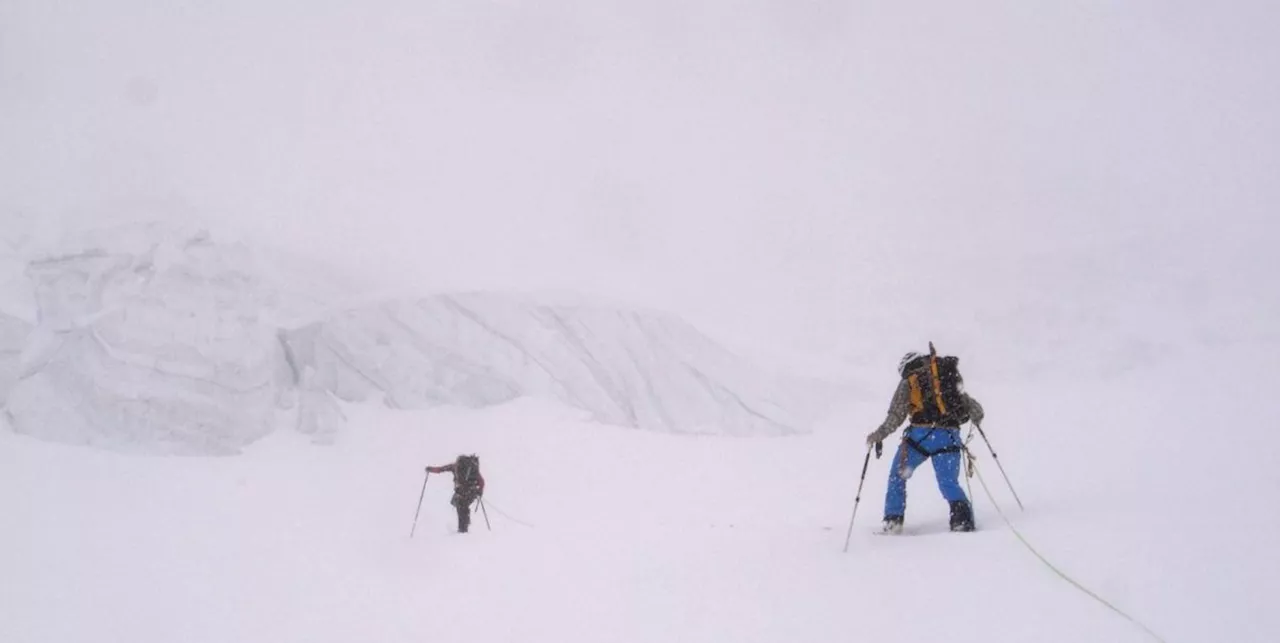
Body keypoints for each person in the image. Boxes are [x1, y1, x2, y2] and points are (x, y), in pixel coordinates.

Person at [865, 347, 984, 534]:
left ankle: (893, 521)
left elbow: (896, 415)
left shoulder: (909, 382)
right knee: (948, 482)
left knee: (898, 475)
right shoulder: (946, 378)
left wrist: (878, 435)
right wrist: (975, 418)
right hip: (949, 436)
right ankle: (962, 519)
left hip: (920, 437)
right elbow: (974, 409)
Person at [426, 454, 486, 533]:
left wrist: (430, 469)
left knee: (461, 507)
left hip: (461, 492)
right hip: (472, 492)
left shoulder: (454, 466)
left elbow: (440, 469)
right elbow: (481, 482)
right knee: (463, 507)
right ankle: (464, 526)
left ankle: (463, 529)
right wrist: (480, 491)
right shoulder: (473, 468)